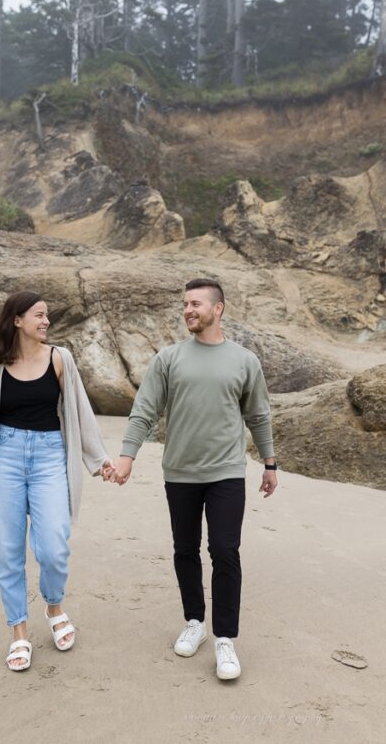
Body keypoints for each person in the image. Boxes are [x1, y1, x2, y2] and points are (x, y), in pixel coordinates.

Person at [110, 278, 277, 681]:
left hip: (226, 473)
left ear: (218, 309)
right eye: (185, 303)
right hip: (180, 473)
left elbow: (258, 414)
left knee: (224, 550)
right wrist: (127, 457)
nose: (188, 310)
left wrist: (269, 462)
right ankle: (194, 622)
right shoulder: (169, 359)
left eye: (196, 303)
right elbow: (144, 411)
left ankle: (225, 639)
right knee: (185, 549)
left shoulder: (244, 361)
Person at [0, 291, 114, 671]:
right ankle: (19, 632)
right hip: (4, 458)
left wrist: (100, 461)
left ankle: (54, 606)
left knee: (53, 547)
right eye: (39, 315)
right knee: (8, 552)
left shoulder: (60, 359)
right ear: (17, 320)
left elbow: (79, 410)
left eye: (47, 316)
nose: (46, 322)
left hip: (49, 458)